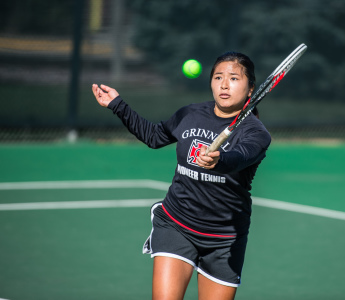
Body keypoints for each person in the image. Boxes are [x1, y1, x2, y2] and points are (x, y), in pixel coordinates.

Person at [92, 51, 271, 300]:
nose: (224, 84)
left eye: (234, 78)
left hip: (224, 240)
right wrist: (117, 105)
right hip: (176, 225)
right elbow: (154, 137)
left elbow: (241, 157)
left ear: (250, 88)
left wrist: (219, 161)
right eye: (218, 77)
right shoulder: (190, 114)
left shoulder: (257, 133)